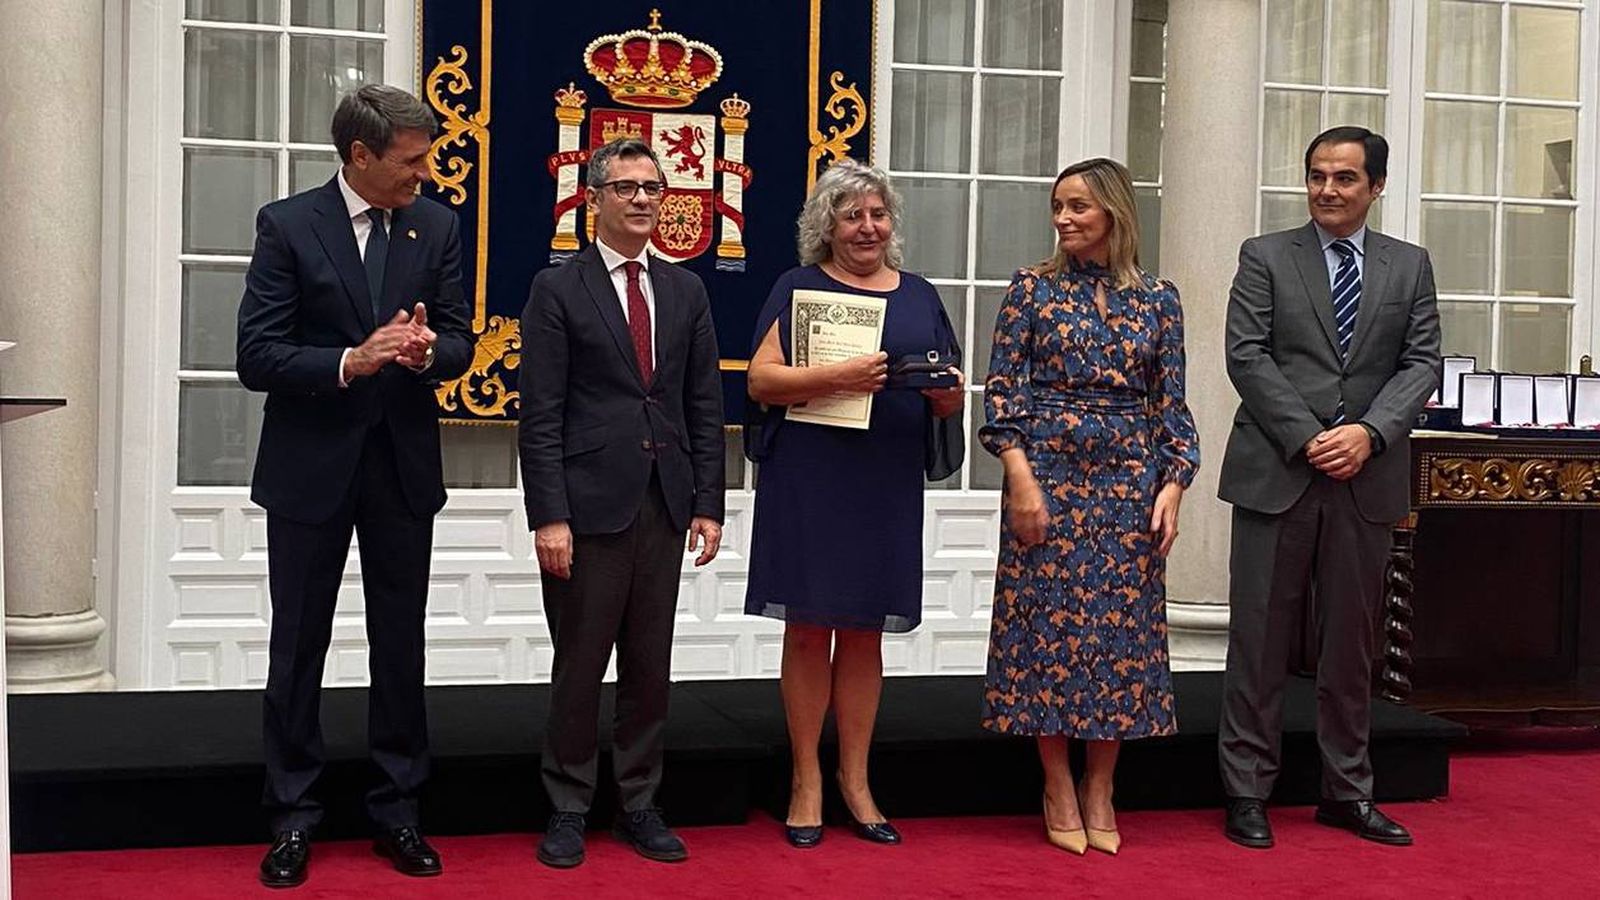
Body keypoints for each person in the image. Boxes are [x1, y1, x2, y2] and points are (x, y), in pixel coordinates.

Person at [237, 84, 472, 887]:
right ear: (360, 156)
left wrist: (424, 352)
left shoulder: (436, 224)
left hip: (402, 468)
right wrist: (352, 361)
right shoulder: (289, 224)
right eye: (410, 160)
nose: (424, 173)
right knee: (297, 648)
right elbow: (257, 355)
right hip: (310, 470)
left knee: (400, 649)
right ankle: (293, 816)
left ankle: (399, 811)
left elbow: (461, 343)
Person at [1217, 126, 1441, 850]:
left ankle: (1348, 791)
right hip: (1279, 469)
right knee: (1260, 639)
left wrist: (1369, 434)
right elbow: (1246, 355)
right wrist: (1310, 434)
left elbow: (1421, 363)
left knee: (1352, 645)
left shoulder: (1409, 266)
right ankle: (1247, 790)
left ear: (1376, 186)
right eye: (1317, 175)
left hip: (1364, 477)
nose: (1327, 190)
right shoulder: (1265, 256)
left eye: (1345, 178)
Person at [743, 159, 965, 849]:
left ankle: (856, 780)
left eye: (877, 214)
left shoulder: (922, 294)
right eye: (851, 215)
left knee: (865, 631)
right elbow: (760, 382)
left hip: (883, 482)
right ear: (826, 227)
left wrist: (944, 395)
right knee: (808, 627)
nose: (867, 227)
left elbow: (952, 394)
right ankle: (806, 780)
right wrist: (836, 375)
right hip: (812, 479)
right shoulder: (797, 287)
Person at [980, 157, 1198, 856]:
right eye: (1059, 207)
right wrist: (1020, 477)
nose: (1065, 219)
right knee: (1043, 631)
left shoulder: (1159, 300)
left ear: (1114, 212)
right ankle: (1056, 782)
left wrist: (1174, 483)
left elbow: (1171, 402)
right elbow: (1003, 392)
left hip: (1130, 484)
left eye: (1079, 206)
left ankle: (1101, 784)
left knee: (1119, 639)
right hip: (1047, 474)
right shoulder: (1031, 291)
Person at [518, 137, 725, 868]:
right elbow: (539, 412)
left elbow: (703, 402)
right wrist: (548, 515)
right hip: (585, 508)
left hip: (664, 503)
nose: (642, 199)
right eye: (627, 187)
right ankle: (569, 806)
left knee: (649, 663)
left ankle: (639, 802)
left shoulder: (685, 291)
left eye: (652, 187)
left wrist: (710, 502)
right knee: (579, 665)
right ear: (594, 199)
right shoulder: (558, 289)